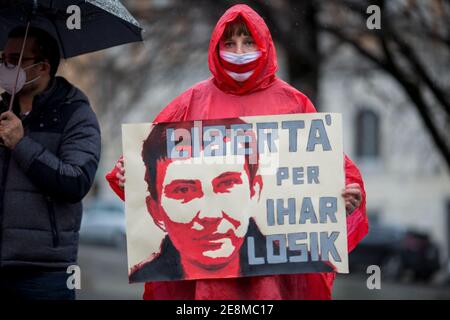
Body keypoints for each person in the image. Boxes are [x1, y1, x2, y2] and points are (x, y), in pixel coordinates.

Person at [106, 4, 367, 299]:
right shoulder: (190, 102)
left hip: (272, 279)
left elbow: (327, 168)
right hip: (204, 286)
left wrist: (342, 196)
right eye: (229, 43)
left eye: (248, 42)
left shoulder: (293, 103)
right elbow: (148, 161)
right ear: (216, 47)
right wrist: (128, 174)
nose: (239, 51)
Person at [129, 119, 334, 282]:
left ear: (254, 192)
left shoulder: (308, 270)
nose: (211, 215)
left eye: (227, 185)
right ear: (155, 211)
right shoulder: (147, 278)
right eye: (184, 190)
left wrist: (344, 202)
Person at [0, 26, 101, 299]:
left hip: (44, 272)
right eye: (2, 59)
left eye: (14, 61)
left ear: (42, 67)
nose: (4, 67)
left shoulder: (74, 114)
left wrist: (21, 144)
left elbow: (76, 182)